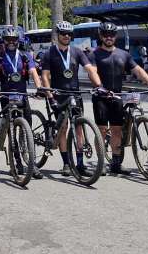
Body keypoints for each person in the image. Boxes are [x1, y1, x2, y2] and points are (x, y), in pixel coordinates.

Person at [89, 22, 148, 175]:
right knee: (102, 130)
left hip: (117, 96)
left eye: (111, 35)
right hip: (100, 96)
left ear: (115, 36)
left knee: (117, 131)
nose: (108, 37)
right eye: (105, 35)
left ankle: (116, 163)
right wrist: (99, 86)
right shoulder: (94, 54)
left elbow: (137, 70)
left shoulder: (123, 54)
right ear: (101, 36)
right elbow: (92, 72)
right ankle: (100, 162)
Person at [40, 21, 103, 177]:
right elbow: (45, 76)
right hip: (58, 94)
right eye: (63, 33)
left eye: (69, 34)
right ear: (57, 35)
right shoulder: (49, 53)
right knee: (63, 128)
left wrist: (99, 85)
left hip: (75, 94)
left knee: (79, 128)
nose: (66, 36)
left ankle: (80, 164)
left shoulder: (77, 52)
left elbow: (90, 69)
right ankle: (66, 163)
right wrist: (49, 95)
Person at [0, 27, 44, 178]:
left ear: (18, 41)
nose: (11, 42)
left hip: (22, 97)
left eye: (14, 40)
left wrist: (39, 87)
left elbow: (33, 73)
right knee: (11, 131)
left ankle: (30, 162)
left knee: (27, 131)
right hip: (6, 97)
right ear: (3, 41)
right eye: (8, 40)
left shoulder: (25, 56)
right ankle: (17, 163)